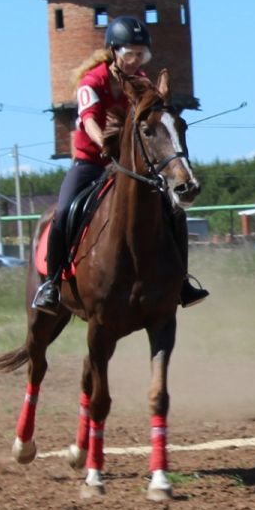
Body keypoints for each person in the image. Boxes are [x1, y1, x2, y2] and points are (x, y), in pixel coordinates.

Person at [32, 16, 208, 311]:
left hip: (129, 168)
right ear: (114, 51)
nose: (136, 60)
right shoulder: (92, 82)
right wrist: (103, 142)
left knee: (174, 213)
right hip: (91, 163)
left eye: (142, 55)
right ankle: (50, 285)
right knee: (63, 213)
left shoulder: (142, 83)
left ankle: (181, 282)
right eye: (130, 54)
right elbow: (87, 120)